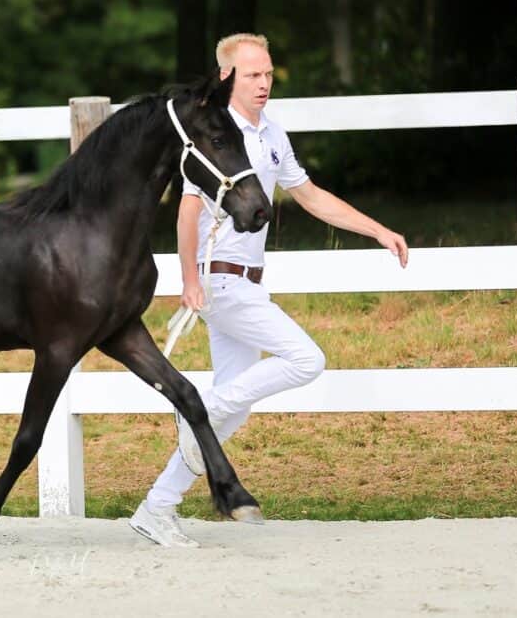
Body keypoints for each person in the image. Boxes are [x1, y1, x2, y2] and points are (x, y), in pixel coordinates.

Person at [129, 33, 409, 547]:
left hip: (250, 282)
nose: (263, 84)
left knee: (236, 409)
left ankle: (157, 507)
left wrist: (377, 231)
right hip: (221, 281)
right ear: (225, 78)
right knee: (306, 359)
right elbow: (188, 207)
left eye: (268, 74)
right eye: (252, 75)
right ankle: (201, 409)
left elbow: (312, 196)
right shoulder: (213, 134)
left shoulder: (273, 135)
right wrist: (189, 278)